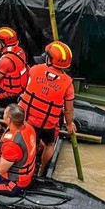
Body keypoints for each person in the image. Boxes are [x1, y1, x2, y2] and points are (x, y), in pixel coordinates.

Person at [19, 40, 77, 176]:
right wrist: (69, 124)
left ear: (50, 59)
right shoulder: (68, 84)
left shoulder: (34, 70)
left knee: (27, 142)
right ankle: (42, 169)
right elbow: (68, 109)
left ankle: (26, 167)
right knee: (49, 145)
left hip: (28, 120)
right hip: (47, 123)